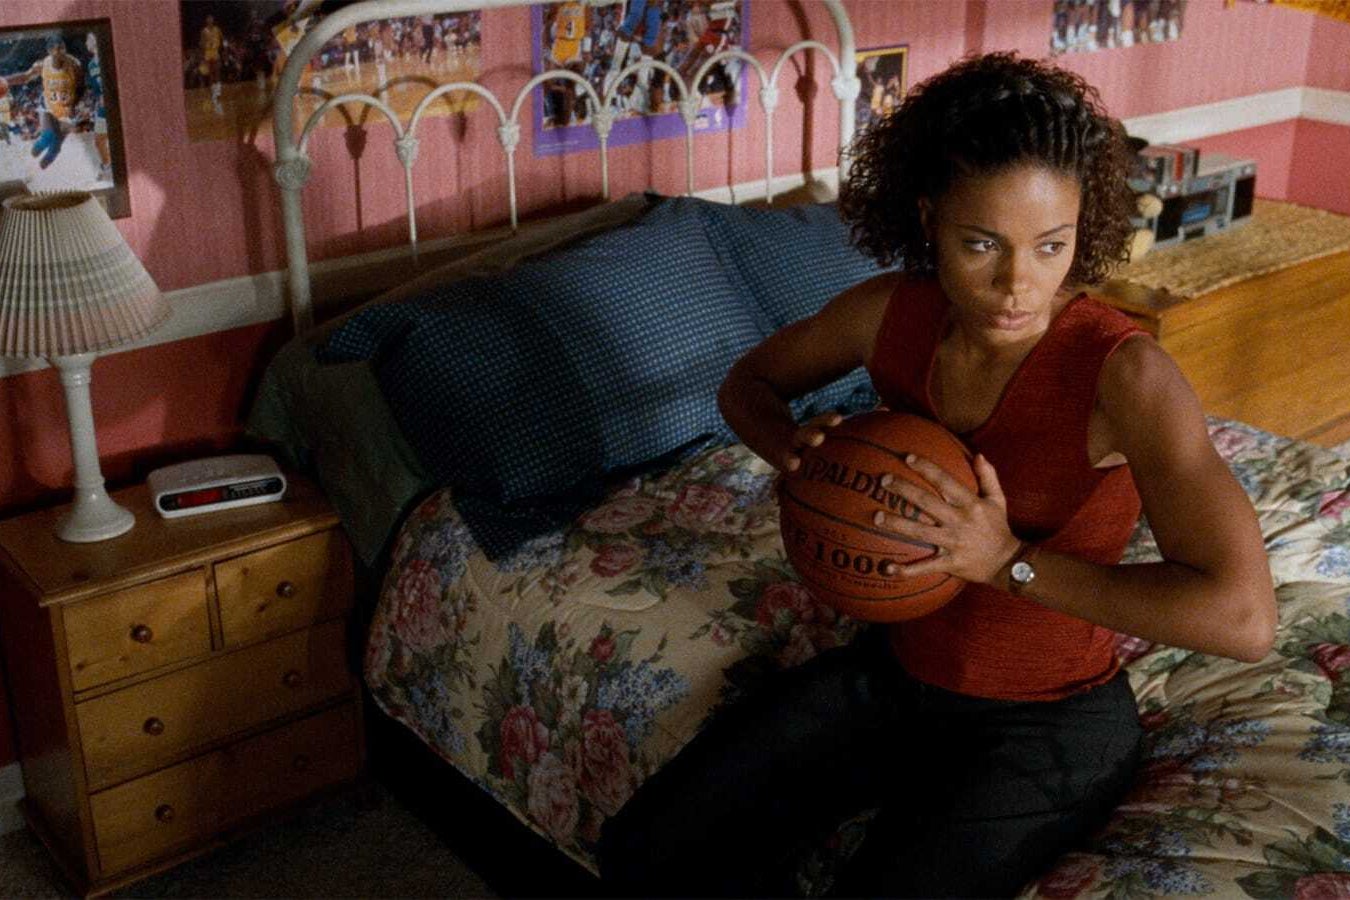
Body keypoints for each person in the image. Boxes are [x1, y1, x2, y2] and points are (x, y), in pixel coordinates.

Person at [596, 52, 1276, 898]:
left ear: (1083, 229)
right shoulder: (889, 313)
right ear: (929, 218)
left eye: (1051, 245)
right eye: (981, 243)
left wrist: (1004, 562)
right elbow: (748, 384)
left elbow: (1244, 618)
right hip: (896, 674)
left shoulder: (1125, 377)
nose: (1016, 284)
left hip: (1050, 724)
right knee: (645, 848)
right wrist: (794, 453)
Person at [4, 35, 82, 171]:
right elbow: (25, 77)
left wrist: (75, 102)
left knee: (55, 148)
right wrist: (5, 80)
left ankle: (40, 172)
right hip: (48, 105)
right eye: (57, 49)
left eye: (63, 48)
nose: (61, 52)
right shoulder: (42, 65)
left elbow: (81, 85)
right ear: (50, 51)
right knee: (47, 137)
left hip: (65, 109)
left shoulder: (74, 64)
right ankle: (28, 163)